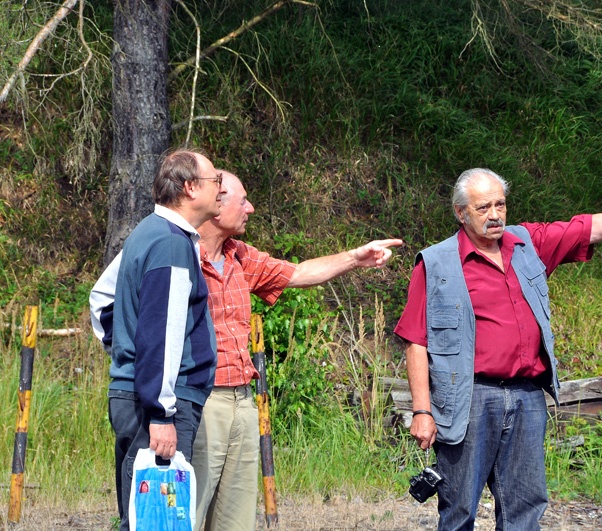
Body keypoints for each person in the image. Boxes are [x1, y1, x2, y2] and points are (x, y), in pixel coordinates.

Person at [394, 168, 602, 531]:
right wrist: (422, 410)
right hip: (469, 400)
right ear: (460, 213)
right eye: (483, 208)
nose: (495, 215)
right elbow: (416, 341)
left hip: (527, 398)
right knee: (459, 509)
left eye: (500, 204)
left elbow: (591, 227)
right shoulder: (436, 263)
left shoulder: (528, 243)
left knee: (525, 507)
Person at [192, 170, 402, 531]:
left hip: (243, 400)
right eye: (242, 201)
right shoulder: (176, 254)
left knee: (234, 520)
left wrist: (355, 257)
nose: (251, 208)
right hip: (199, 402)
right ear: (216, 203)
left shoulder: (239, 256)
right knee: (186, 514)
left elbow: (298, 272)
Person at [89, 148, 227, 531]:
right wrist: (161, 411)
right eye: (215, 182)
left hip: (133, 394)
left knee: (140, 518)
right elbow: (163, 336)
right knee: (156, 522)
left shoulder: (147, 232)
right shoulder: (171, 244)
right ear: (189, 188)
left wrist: (125, 354)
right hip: (160, 404)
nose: (222, 191)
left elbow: (101, 299)